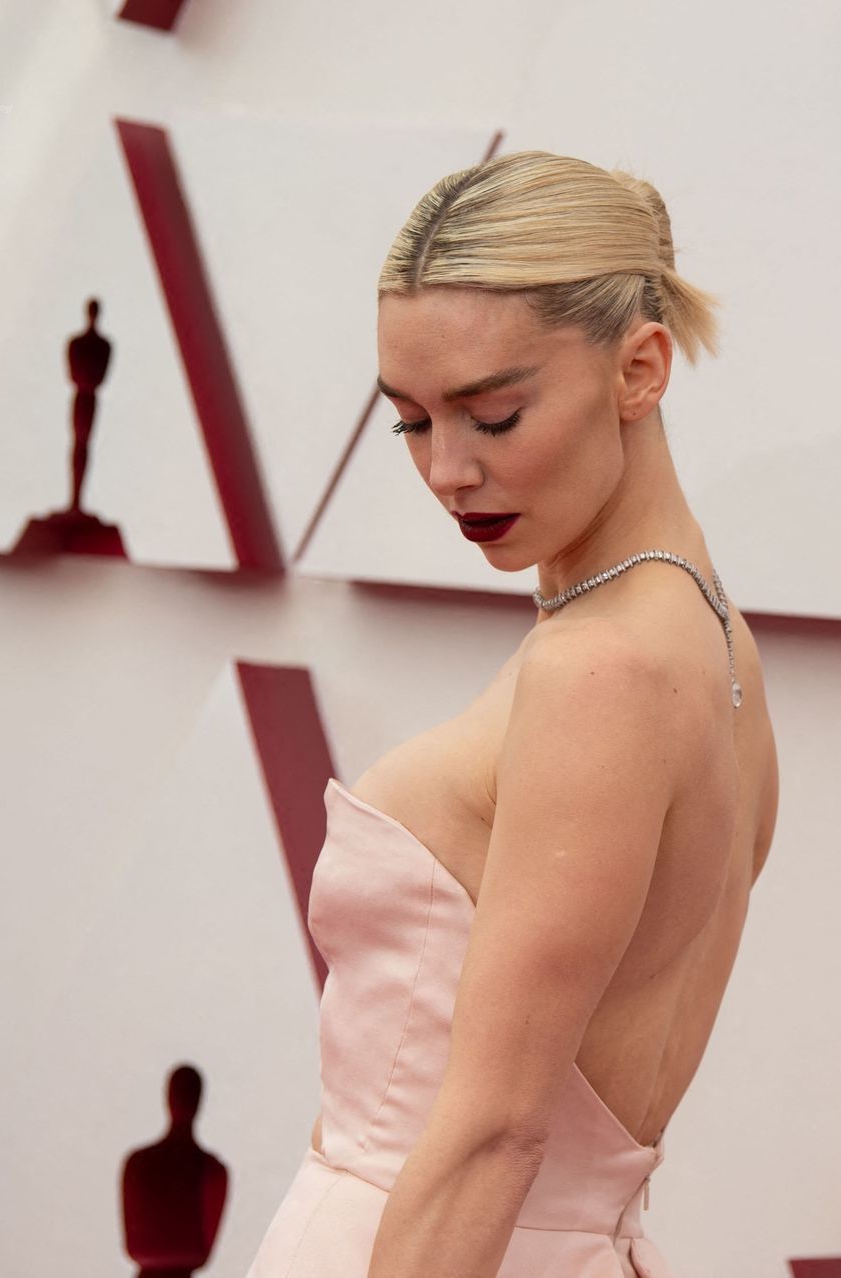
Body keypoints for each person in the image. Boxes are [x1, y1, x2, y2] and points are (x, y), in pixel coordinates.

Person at [245, 150, 780, 1278]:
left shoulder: (599, 673)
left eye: (493, 416)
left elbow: (494, 1135)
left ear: (640, 370)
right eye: (411, 423)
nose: (448, 471)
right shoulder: (714, 639)